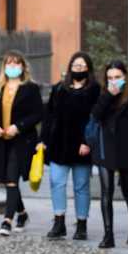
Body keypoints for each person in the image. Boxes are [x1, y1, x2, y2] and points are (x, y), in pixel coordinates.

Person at [39, 52, 100, 240]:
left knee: (81, 186)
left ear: (88, 69)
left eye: (82, 66)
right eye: (75, 66)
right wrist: (43, 140)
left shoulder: (95, 90)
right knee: (57, 183)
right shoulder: (59, 89)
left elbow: (96, 118)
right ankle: (59, 222)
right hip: (59, 145)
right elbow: (48, 116)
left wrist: (88, 142)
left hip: (83, 147)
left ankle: (82, 224)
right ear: (70, 67)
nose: (78, 69)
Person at [0, 51, 43, 237]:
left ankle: (7, 220)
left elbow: (38, 113)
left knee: (11, 178)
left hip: (21, 140)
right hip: (0, 140)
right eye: (9, 64)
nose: (13, 67)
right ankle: (22, 214)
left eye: (16, 64)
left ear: (23, 67)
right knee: (8, 180)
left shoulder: (31, 88)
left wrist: (19, 126)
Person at [92, 59, 128, 248]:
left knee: (127, 191)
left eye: (117, 77)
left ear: (125, 76)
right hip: (105, 148)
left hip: (127, 149)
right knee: (106, 193)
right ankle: (108, 234)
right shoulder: (103, 93)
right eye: (110, 78)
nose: (113, 81)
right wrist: (108, 95)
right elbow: (96, 115)